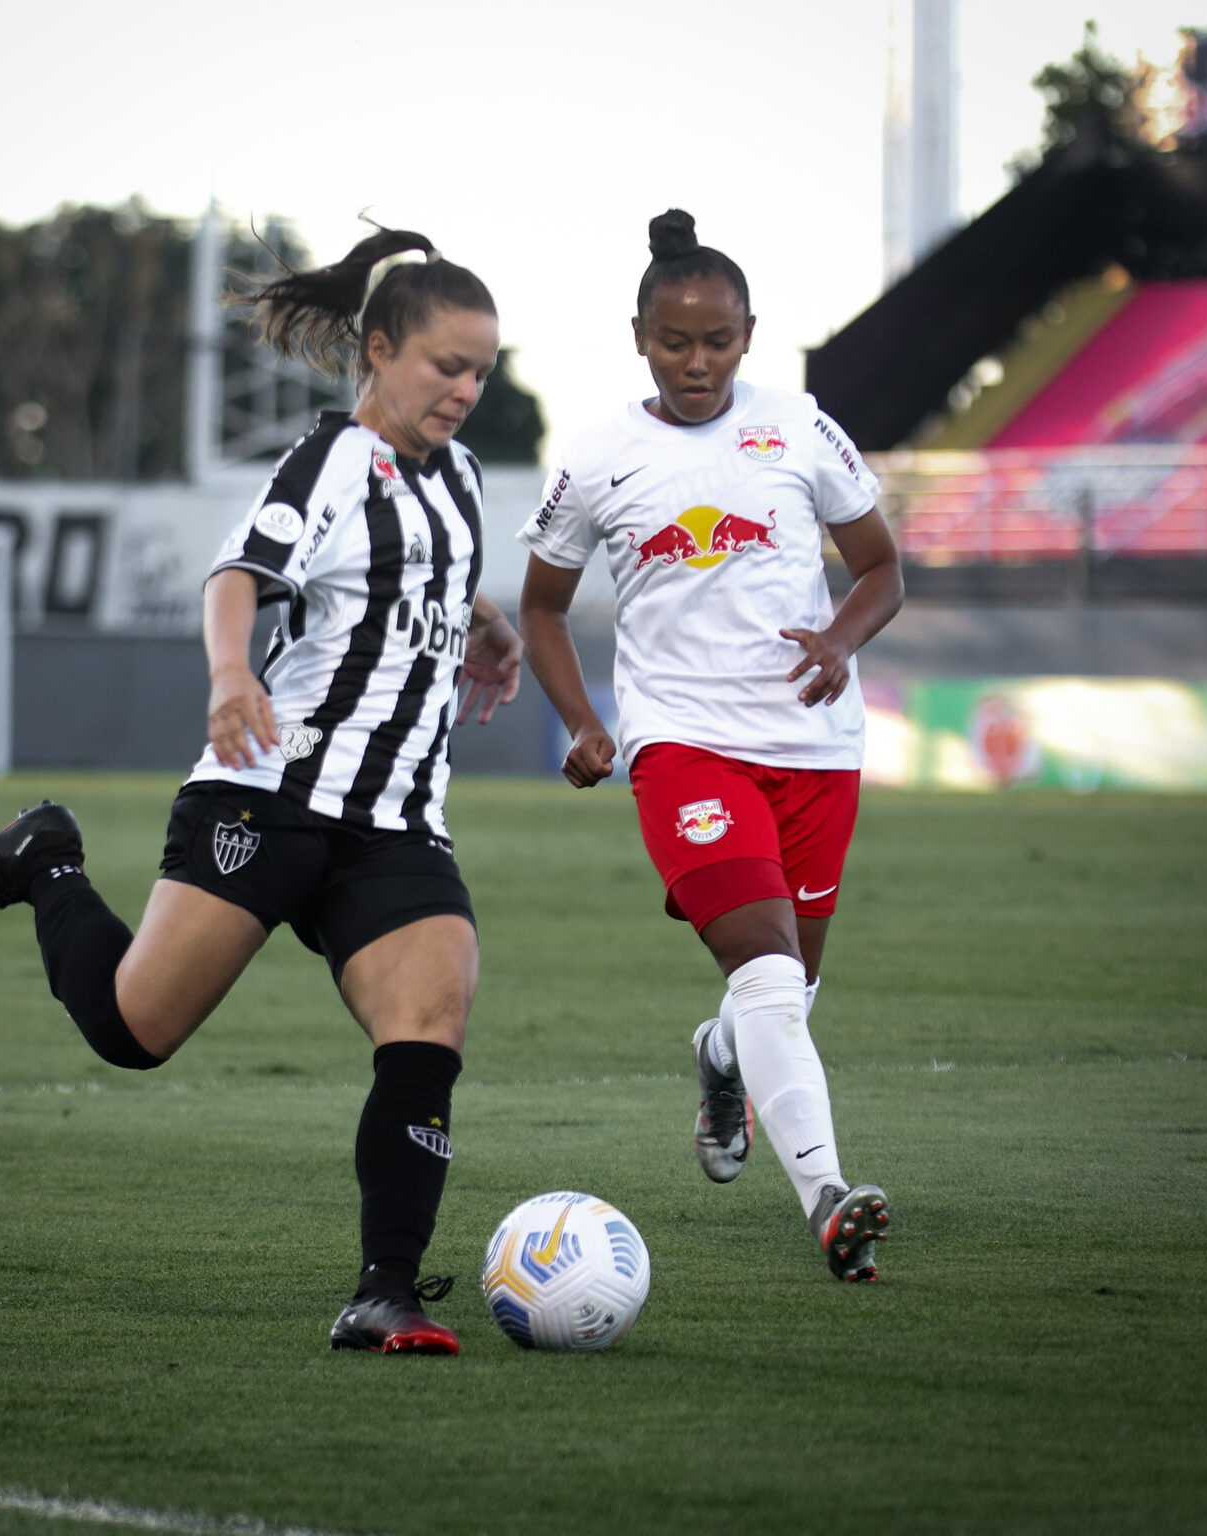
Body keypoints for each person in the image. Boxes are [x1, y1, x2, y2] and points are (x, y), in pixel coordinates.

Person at [0, 226, 523, 1350]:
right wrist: (232, 672)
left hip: (394, 823)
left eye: (482, 368)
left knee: (430, 1018)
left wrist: (484, 626)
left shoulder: (467, 479)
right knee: (133, 1032)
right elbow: (241, 573)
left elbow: (430, 577)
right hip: (269, 795)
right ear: (379, 350)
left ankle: (386, 1291)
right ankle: (45, 860)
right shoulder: (332, 463)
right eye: (447, 364)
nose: (467, 388)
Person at [516, 209, 903, 1282]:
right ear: (639, 335)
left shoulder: (801, 427)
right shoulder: (597, 459)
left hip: (817, 746)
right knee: (771, 974)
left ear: (749, 336)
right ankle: (829, 1197)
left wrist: (838, 637)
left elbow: (883, 569)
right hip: (682, 746)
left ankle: (723, 1054)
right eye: (676, 341)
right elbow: (543, 606)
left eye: (719, 341)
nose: (699, 362)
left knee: (785, 992)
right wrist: (590, 722)